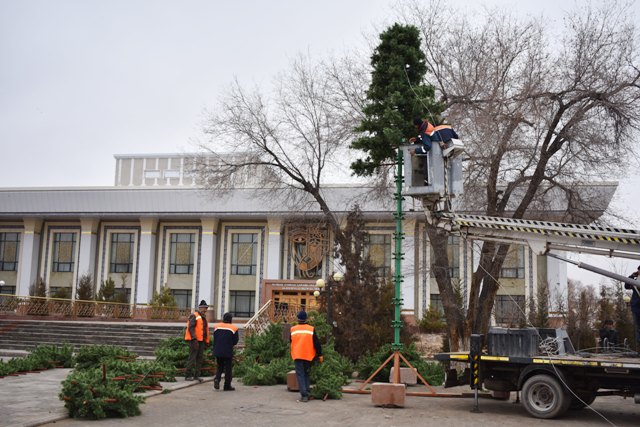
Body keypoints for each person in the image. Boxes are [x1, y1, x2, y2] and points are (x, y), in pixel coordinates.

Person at [408, 117, 459, 185]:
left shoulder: (424, 131)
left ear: (417, 125)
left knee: (428, 163)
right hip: (443, 145)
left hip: (435, 151)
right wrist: (417, 139)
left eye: (415, 125)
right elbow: (430, 135)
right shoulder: (428, 125)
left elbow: (427, 146)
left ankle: (427, 181)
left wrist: (415, 151)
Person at [290, 310, 322, 403]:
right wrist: (320, 354)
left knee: (300, 375)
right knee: (306, 374)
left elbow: (291, 341)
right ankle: (307, 392)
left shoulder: (293, 329)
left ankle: (304, 395)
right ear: (306, 319)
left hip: (297, 355)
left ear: (298, 319)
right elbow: (317, 343)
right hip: (308, 355)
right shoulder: (311, 329)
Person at [212, 312, 239, 391]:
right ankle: (227, 386)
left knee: (219, 366)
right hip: (227, 351)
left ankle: (217, 379)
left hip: (217, 350)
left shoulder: (217, 327)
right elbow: (235, 341)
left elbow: (215, 338)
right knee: (228, 369)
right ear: (230, 319)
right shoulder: (234, 328)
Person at [184, 300, 210, 382]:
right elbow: (191, 328)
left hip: (201, 341)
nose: (205, 310)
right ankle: (188, 375)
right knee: (192, 357)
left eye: (206, 308)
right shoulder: (194, 315)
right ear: (200, 308)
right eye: (205, 308)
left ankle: (196, 376)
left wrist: (206, 341)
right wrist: (194, 338)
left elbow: (204, 330)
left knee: (199, 358)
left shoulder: (203, 317)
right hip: (194, 341)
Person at [625, 265, 640, 346]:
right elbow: (627, 286)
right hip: (636, 306)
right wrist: (631, 277)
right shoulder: (635, 278)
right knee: (638, 327)